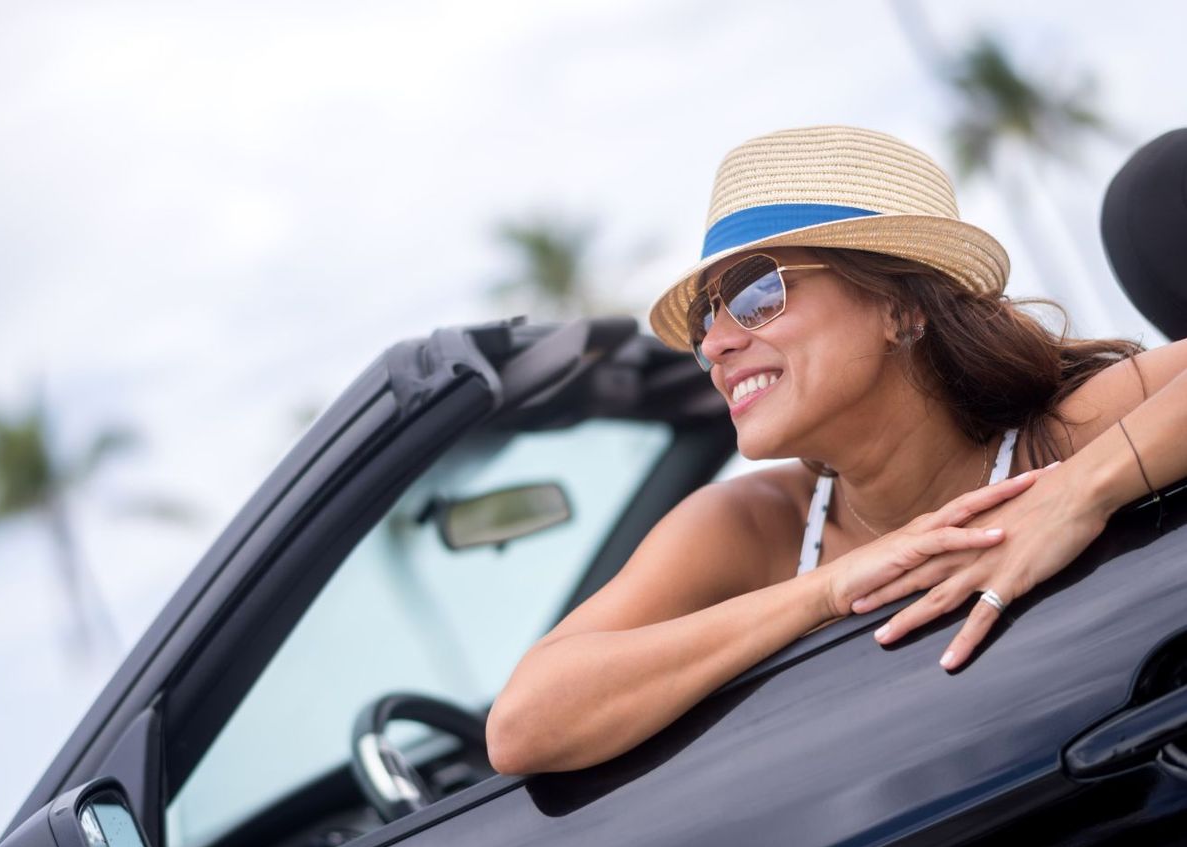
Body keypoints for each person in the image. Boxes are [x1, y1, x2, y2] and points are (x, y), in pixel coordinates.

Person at [484, 125, 1187, 777]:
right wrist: (827, 591)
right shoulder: (754, 526)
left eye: (757, 292)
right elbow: (523, 724)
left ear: (900, 307)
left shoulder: (1061, 438)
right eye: (706, 317)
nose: (715, 343)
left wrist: (1077, 493)